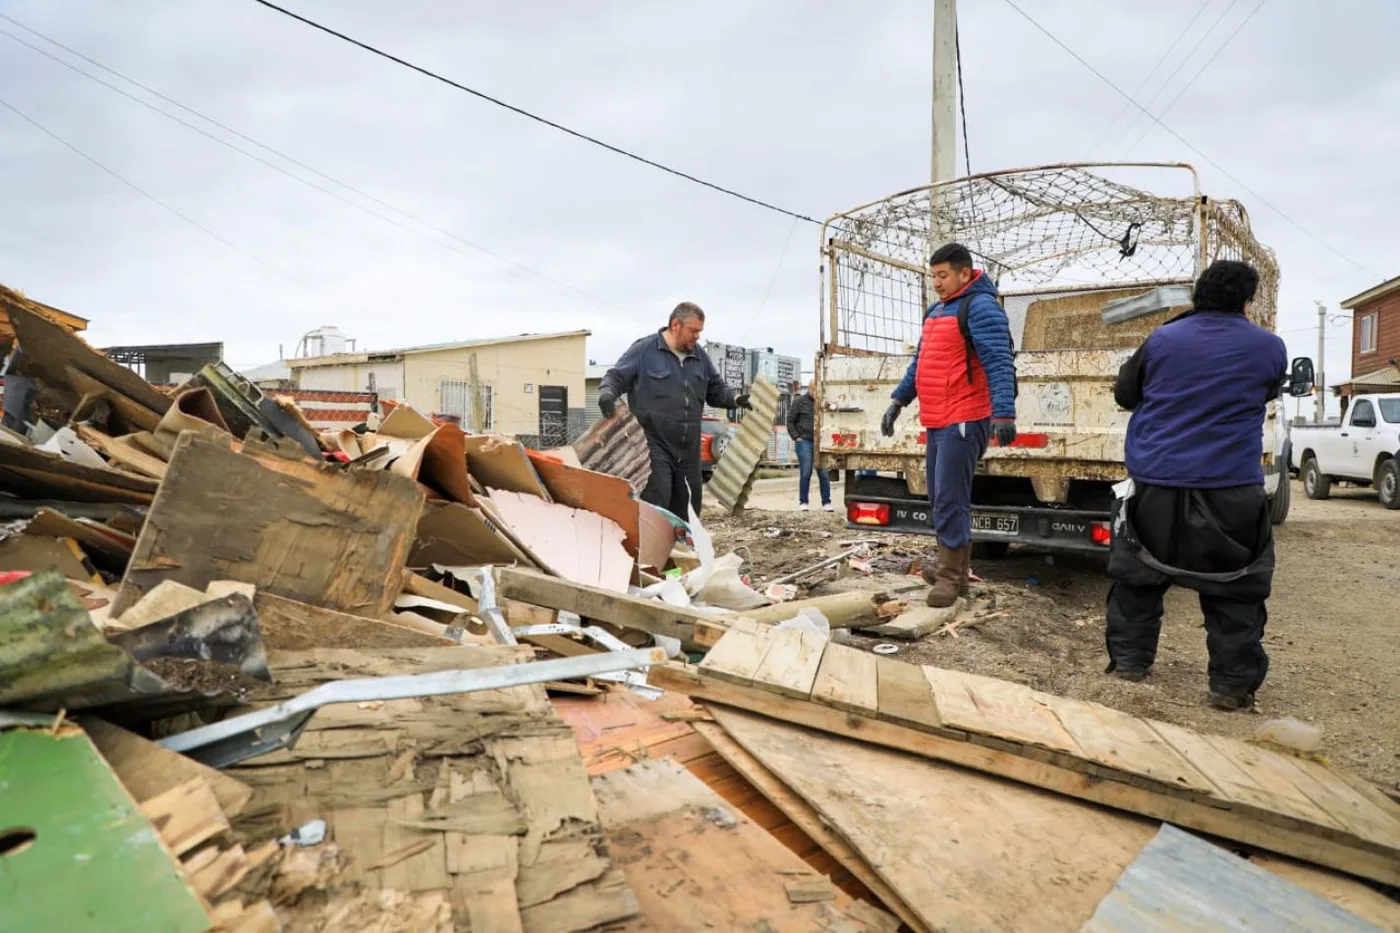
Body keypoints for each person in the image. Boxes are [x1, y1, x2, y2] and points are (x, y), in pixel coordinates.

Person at [1106, 259, 1288, 712]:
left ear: (1197, 294)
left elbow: (1126, 393)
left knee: (1139, 576)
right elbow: (1266, 391)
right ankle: (1229, 687)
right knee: (1236, 587)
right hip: (1231, 486)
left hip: (1157, 482)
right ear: (1247, 302)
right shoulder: (1269, 347)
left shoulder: (1163, 338)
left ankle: (1130, 662)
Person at [882, 243, 1017, 608]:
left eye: (943, 276)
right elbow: (920, 362)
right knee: (939, 496)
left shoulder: (982, 307)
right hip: (938, 419)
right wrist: (898, 400)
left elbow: (999, 360)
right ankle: (957, 570)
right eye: (934, 277)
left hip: (965, 417)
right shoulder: (938, 310)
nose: (937, 283)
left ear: (963, 273)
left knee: (949, 498)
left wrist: (1004, 412)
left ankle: (950, 578)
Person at [599, 302, 750, 519]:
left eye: (700, 331)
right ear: (675, 325)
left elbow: (715, 389)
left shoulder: (699, 356)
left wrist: (736, 399)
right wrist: (607, 394)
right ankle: (651, 551)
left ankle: (683, 552)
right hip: (653, 444)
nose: (697, 337)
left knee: (689, 508)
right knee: (657, 502)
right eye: (693, 331)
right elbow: (615, 377)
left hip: (689, 449)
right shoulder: (645, 350)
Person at [786, 379, 832, 511]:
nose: (815, 392)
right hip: (804, 441)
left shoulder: (824, 403)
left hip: (821, 443)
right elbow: (790, 420)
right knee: (806, 472)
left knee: (824, 474)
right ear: (810, 388)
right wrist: (796, 437)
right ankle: (803, 502)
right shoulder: (799, 402)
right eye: (813, 389)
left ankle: (826, 502)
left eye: (818, 390)